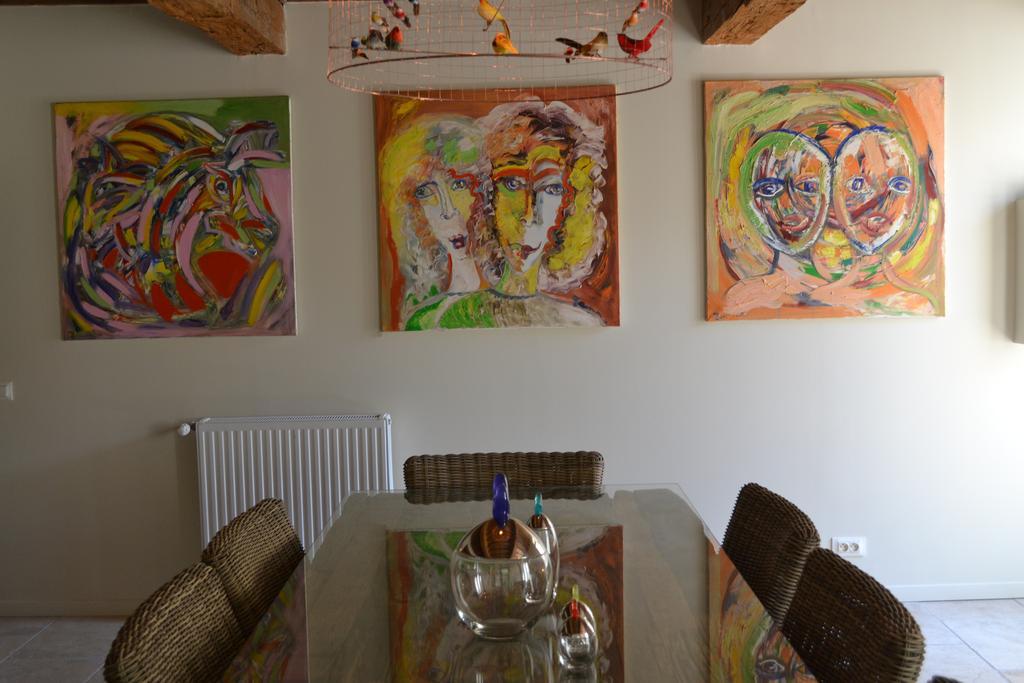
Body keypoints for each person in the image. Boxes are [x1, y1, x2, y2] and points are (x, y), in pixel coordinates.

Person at [405, 100, 610, 329]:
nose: (528, 215)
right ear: (487, 195)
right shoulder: (436, 320)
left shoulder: (581, 324)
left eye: (551, 189)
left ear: (571, 206)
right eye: (512, 184)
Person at [377, 115, 490, 329]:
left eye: (458, 185)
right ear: (414, 209)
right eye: (425, 193)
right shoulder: (423, 319)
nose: (449, 211)